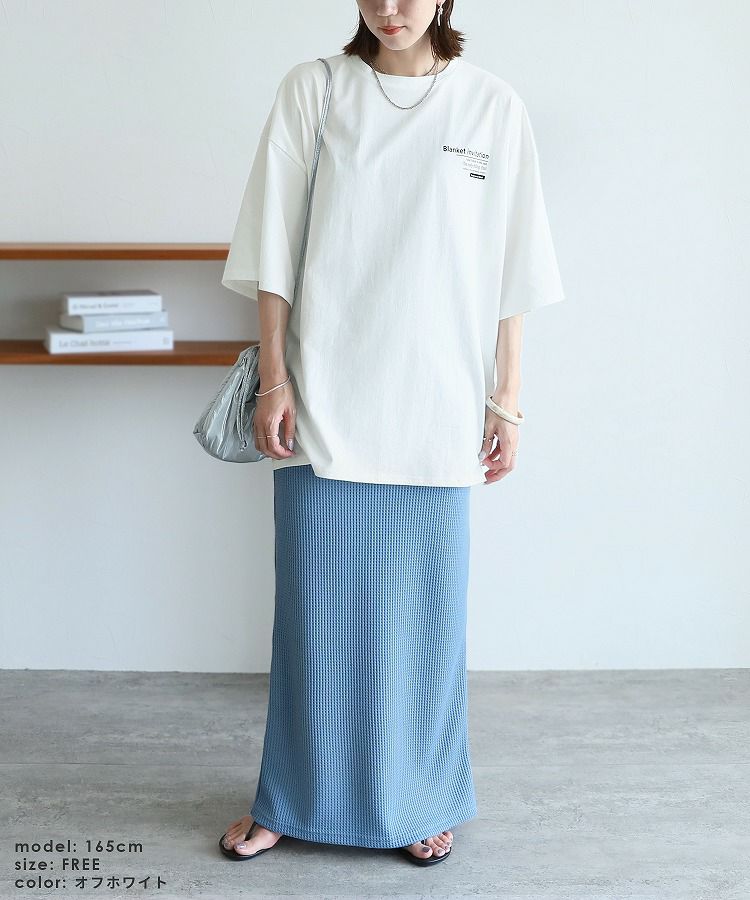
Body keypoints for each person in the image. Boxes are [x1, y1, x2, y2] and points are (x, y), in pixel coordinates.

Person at [218, 0, 565, 867]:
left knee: (424, 623)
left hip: (437, 402)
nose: (390, 7)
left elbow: (514, 265)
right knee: (313, 618)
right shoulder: (316, 91)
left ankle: (419, 800)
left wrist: (508, 398)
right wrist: (274, 378)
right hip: (325, 397)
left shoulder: (492, 105)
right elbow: (273, 246)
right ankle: (286, 799)